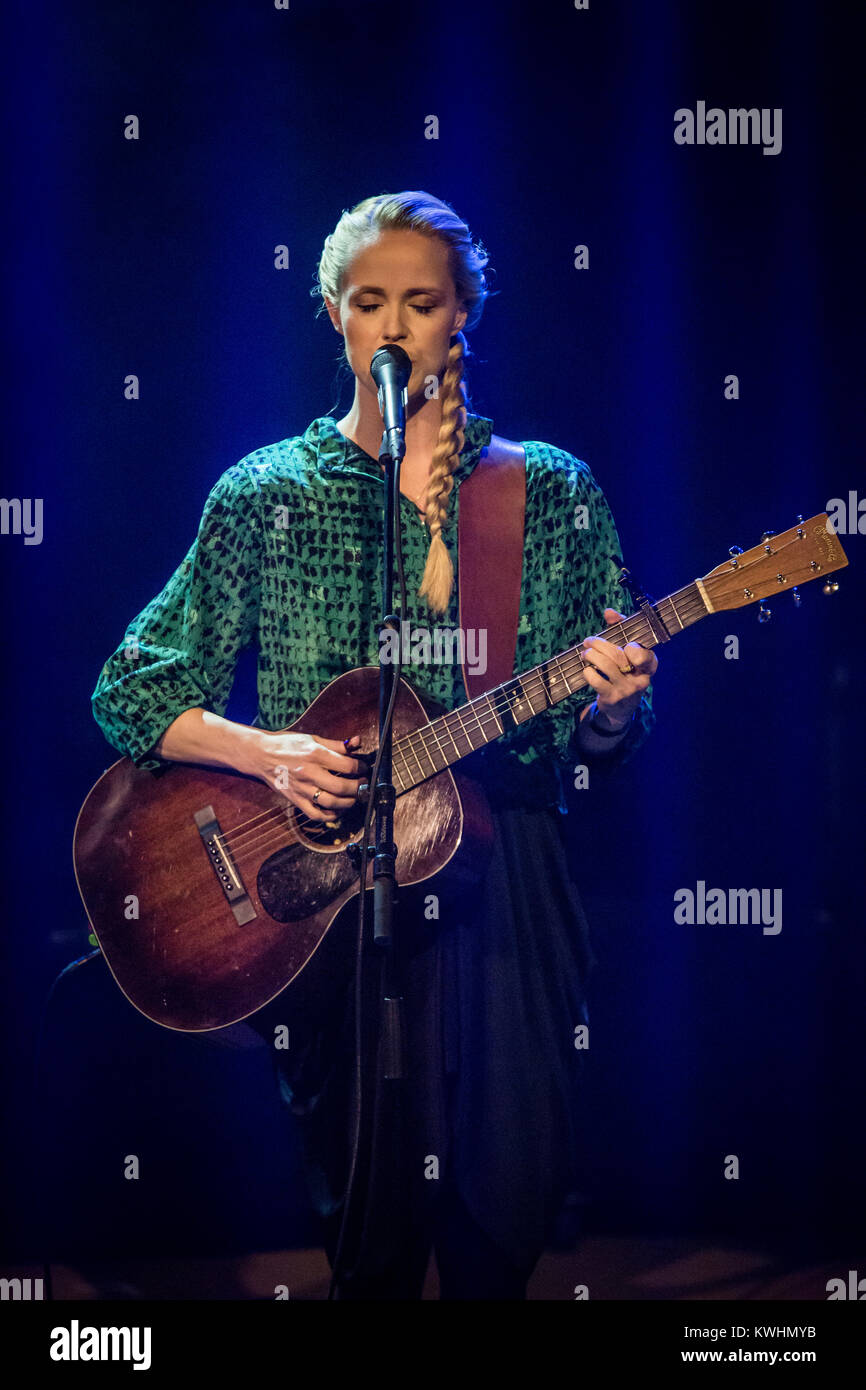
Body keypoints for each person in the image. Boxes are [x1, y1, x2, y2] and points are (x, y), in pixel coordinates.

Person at [91, 190, 658, 1300]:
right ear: (333, 316)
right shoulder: (265, 493)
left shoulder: (546, 491)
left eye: (421, 301)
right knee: (370, 1223)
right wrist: (271, 756)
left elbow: (599, 744)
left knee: (507, 1209)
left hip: (511, 877)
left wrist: (612, 706)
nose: (393, 327)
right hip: (334, 891)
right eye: (368, 302)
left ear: (463, 317)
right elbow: (133, 687)